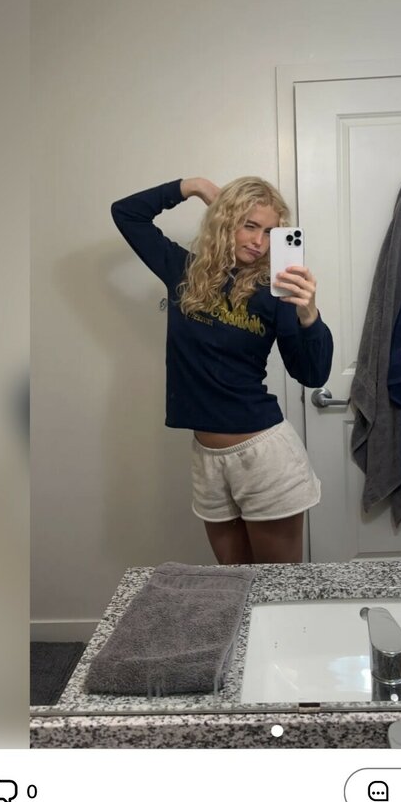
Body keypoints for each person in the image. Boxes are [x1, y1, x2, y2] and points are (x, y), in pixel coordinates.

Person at [111, 176, 333, 565]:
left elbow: (313, 375)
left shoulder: (276, 292)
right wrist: (192, 186)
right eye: (250, 225)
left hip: (264, 456)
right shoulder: (184, 271)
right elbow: (126, 214)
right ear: (226, 220)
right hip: (206, 459)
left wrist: (309, 315)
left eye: (270, 233)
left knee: (277, 589)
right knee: (233, 583)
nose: (259, 242)